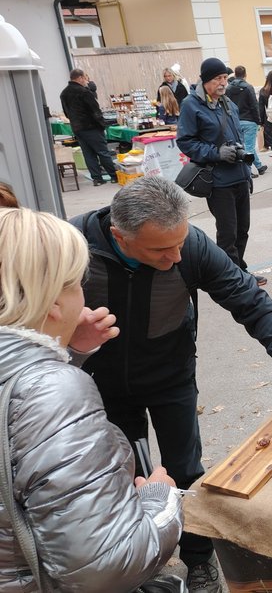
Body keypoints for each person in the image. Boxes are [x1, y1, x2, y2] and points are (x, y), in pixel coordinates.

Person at [71, 176, 272, 592]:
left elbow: (251, 302)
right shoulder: (70, 247)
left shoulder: (191, 247)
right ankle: (135, 564)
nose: (176, 255)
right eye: (161, 250)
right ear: (119, 236)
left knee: (184, 470)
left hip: (171, 377)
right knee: (120, 477)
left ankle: (199, 559)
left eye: (180, 243)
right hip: (99, 383)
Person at [0, 207, 184, 591]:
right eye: (76, 282)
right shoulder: (54, 391)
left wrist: (65, 349)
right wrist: (161, 503)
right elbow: (103, 567)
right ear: (52, 299)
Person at [177, 58, 263, 285]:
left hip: (239, 175)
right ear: (205, 80)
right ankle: (231, 277)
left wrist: (243, 158)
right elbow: (186, 142)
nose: (223, 83)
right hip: (218, 179)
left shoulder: (228, 103)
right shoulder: (191, 104)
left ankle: (238, 270)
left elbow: (237, 136)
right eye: (218, 79)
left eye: (225, 78)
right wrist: (216, 153)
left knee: (243, 229)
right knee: (228, 233)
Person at [59, 68, 119, 186]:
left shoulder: (64, 93)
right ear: (80, 78)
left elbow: (66, 113)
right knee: (102, 152)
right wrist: (103, 125)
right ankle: (113, 176)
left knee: (88, 154)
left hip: (78, 128)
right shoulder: (85, 92)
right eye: (85, 78)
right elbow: (95, 111)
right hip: (92, 127)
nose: (86, 81)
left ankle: (97, 179)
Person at [226, 66, 267, 177]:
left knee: (245, 146)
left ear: (235, 74)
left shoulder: (228, 88)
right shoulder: (248, 87)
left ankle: (259, 166)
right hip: (249, 120)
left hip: (236, 121)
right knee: (249, 147)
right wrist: (258, 120)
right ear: (245, 74)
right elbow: (254, 105)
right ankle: (247, 171)